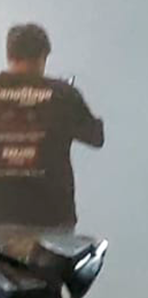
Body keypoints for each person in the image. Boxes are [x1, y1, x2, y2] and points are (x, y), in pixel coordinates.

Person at [0, 23, 104, 258]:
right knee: (49, 289)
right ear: (42, 56)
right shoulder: (63, 94)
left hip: (2, 218)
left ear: (9, 55)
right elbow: (95, 137)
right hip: (52, 220)